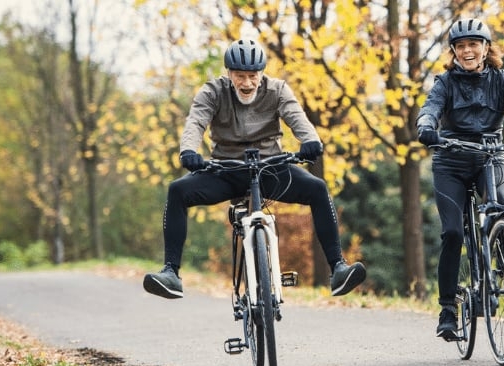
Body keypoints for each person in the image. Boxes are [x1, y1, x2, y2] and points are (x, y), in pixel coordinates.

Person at [143, 39, 366, 299]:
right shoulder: (212, 92)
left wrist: (311, 141)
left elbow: (297, 117)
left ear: (261, 73)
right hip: (225, 170)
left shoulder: (277, 89)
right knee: (178, 190)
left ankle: (338, 268)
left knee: (317, 188)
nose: (247, 83)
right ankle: (171, 272)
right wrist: (189, 151)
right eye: (240, 76)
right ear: (228, 74)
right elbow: (196, 121)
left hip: (270, 169)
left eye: (252, 76)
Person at [416, 18, 504, 340]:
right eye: (461, 46)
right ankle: (448, 311)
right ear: (454, 51)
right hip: (451, 161)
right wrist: (426, 127)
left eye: (473, 44)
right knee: (452, 233)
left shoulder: (502, 80)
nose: (468, 51)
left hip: (490, 158)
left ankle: (502, 274)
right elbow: (430, 108)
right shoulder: (445, 82)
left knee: (498, 210)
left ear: (485, 48)